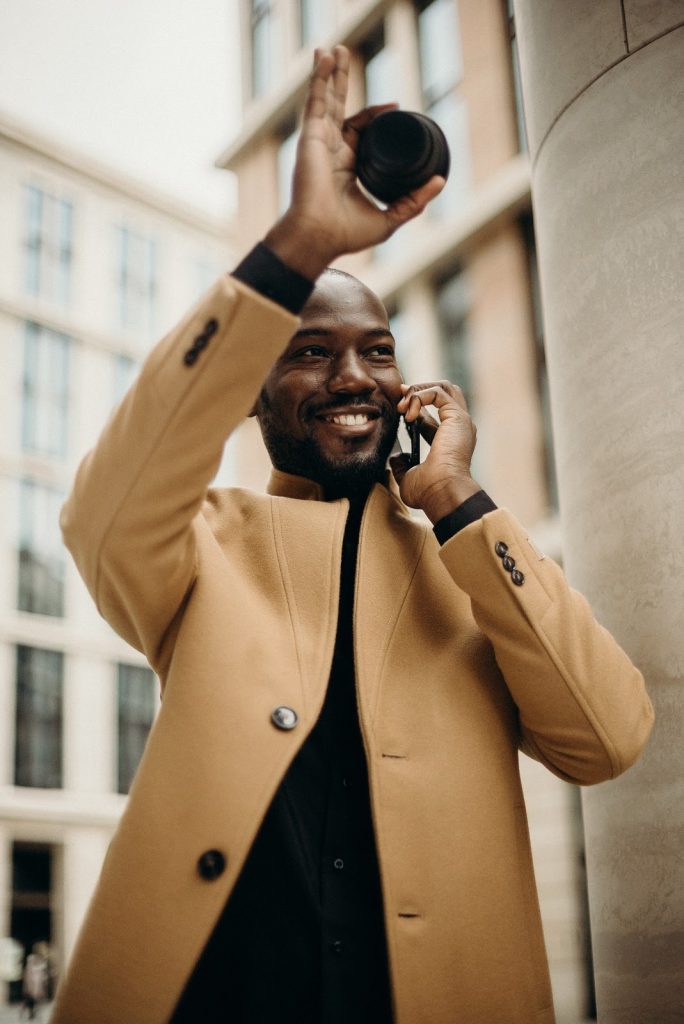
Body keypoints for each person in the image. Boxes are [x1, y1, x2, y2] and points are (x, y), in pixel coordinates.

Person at [52, 46, 653, 1024]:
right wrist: (297, 247)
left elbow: (609, 738)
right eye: (309, 352)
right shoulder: (198, 544)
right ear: (250, 392)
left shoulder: (474, 566)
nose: (354, 377)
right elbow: (105, 507)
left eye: (378, 351)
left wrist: (458, 500)